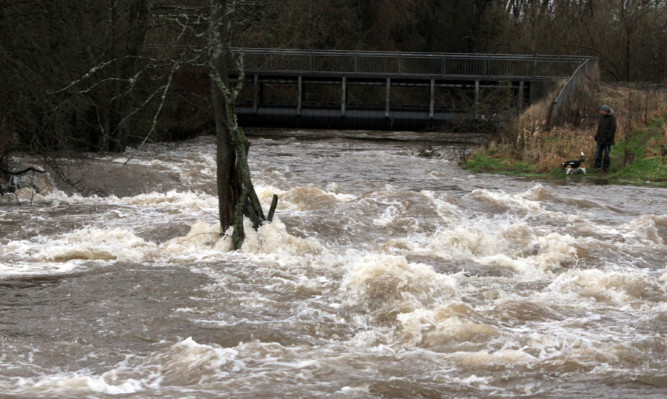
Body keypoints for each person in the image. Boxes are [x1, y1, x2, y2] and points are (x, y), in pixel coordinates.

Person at [594, 104, 616, 172]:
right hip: (600, 139)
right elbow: (599, 128)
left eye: (602, 111)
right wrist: (597, 136)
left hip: (607, 140)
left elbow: (613, 129)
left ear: (606, 111)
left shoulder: (612, 118)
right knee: (598, 153)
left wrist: (608, 137)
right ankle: (597, 166)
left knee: (607, 154)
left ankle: (606, 167)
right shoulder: (601, 117)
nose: (601, 112)